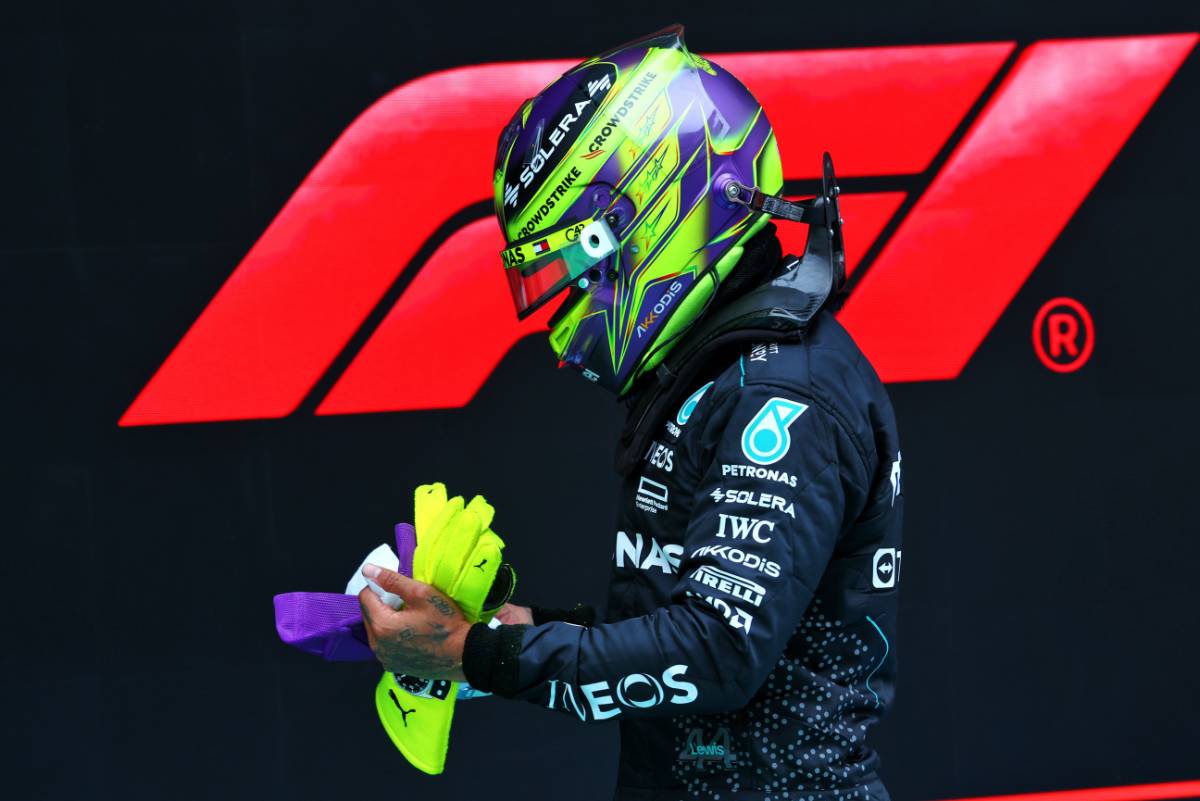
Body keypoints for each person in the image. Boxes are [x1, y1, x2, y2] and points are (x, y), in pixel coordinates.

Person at [356, 25, 904, 801]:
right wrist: (498, 629)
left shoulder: (783, 396)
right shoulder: (720, 373)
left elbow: (716, 650)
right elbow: (669, 624)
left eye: (574, 274)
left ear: (653, 215)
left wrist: (476, 654)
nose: (561, 323)